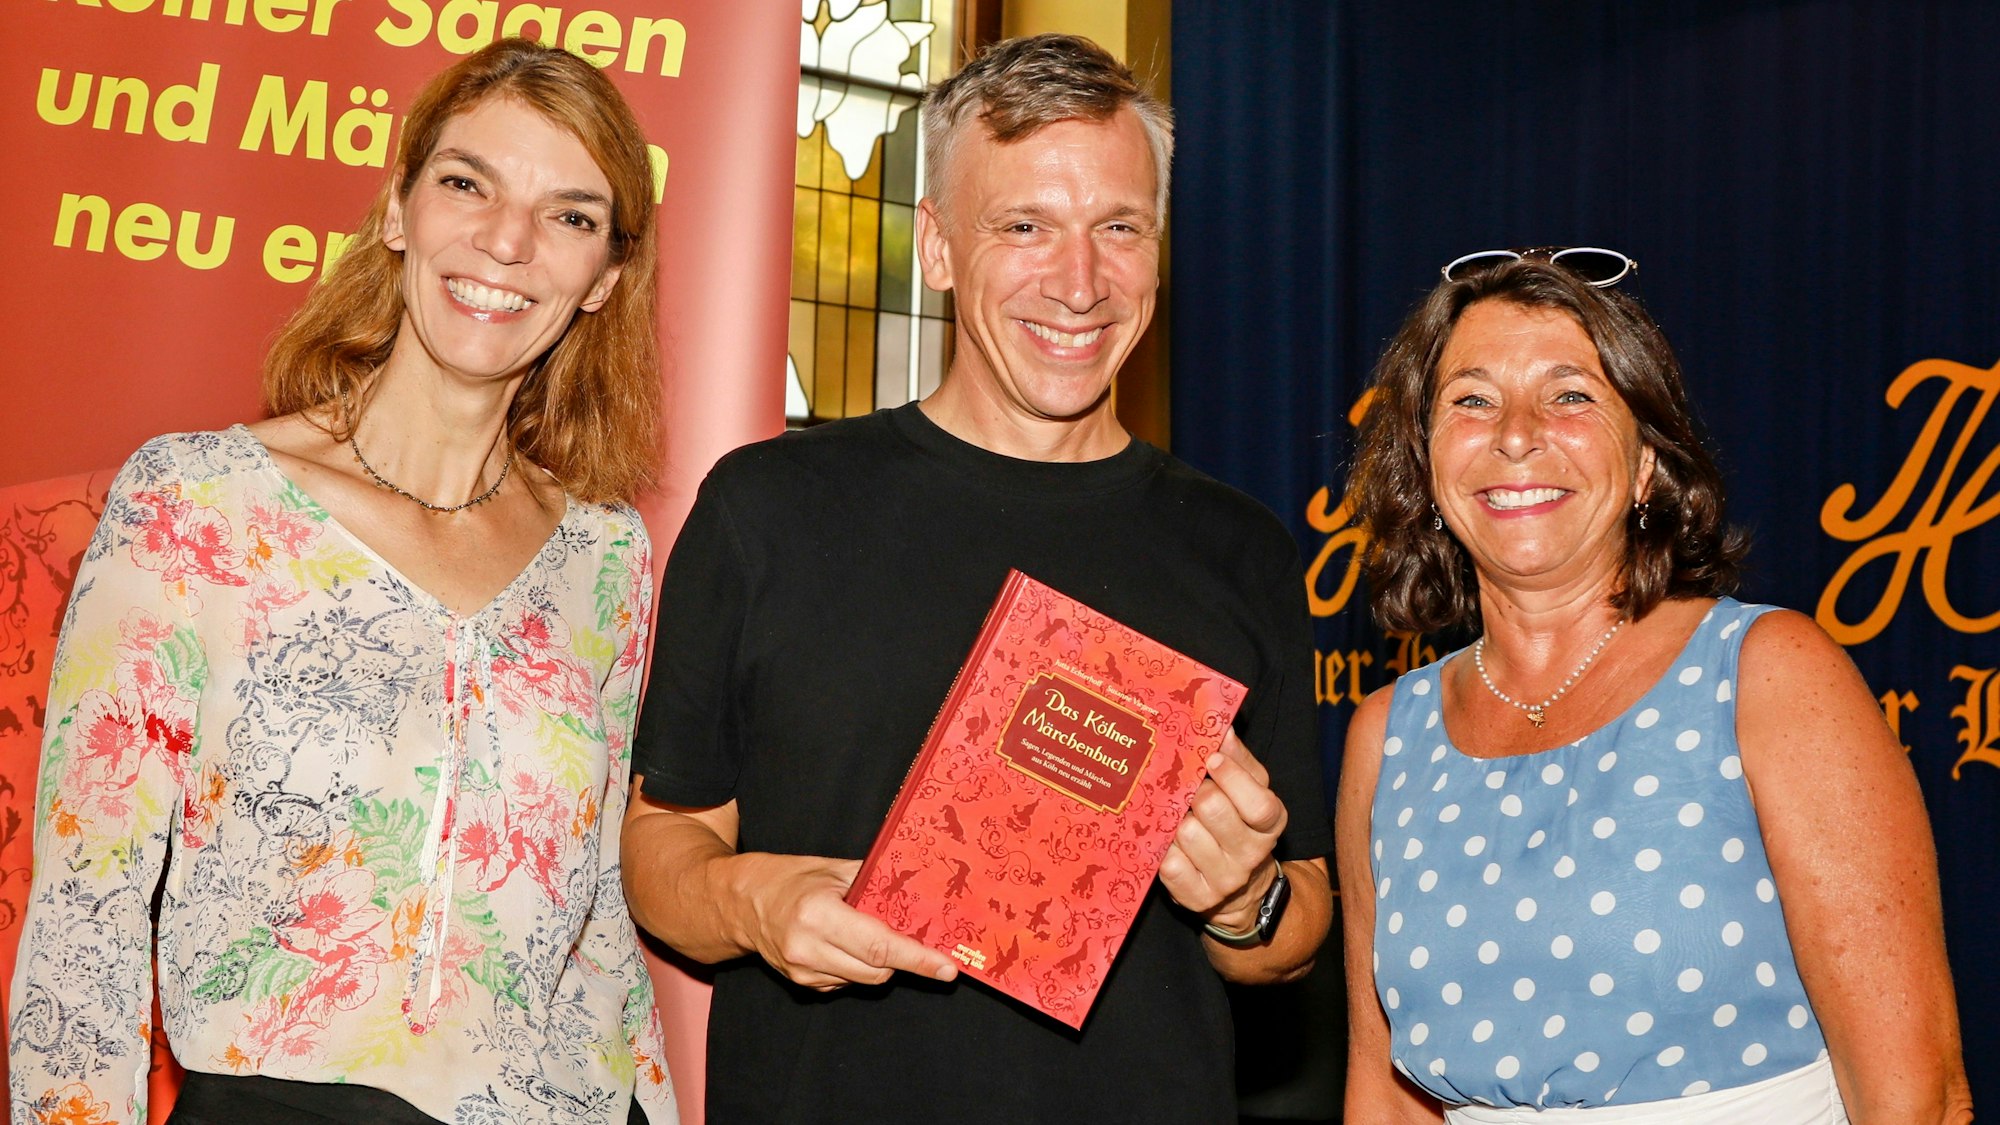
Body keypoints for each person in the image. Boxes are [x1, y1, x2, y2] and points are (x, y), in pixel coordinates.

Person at [620, 33, 1332, 1124]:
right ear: (940, 248)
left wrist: (1246, 901)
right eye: (1025, 227)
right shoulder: (771, 508)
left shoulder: (1236, 549)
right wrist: (755, 902)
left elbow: (1298, 925)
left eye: (1119, 227)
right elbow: (663, 846)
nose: (1080, 281)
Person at [8, 39, 676, 1125]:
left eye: (568, 213)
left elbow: (593, 911)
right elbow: (89, 915)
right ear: (399, 211)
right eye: (468, 183)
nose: (505, 240)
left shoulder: (606, 558)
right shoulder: (200, 504)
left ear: (603, 277)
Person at [1334, 249, 1973, 1123]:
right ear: (1430, 470)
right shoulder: (1387, 737)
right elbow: (1386, 1094)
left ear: (1644, 467)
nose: (1516, 433)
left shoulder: (1768, 674)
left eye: (1571, 396)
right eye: (1471, 400)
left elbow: (1915, 1096)